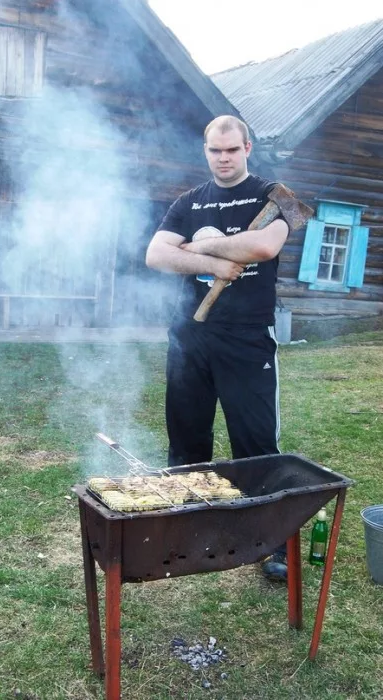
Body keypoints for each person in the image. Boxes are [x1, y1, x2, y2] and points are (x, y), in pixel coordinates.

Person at [145, 115, 289, 581]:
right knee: (186, 437)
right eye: (215, 150)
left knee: (255, 442)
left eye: (231, 149)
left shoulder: (271, 196)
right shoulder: (189, 202)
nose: (223, 158)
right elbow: (156, 254)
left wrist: (202, 249)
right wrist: (216, 260)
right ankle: (187, 527)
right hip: (190, 336)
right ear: (205, 151)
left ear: (247, 148)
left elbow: (264, 247)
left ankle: (271, 542)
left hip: (247, 339)